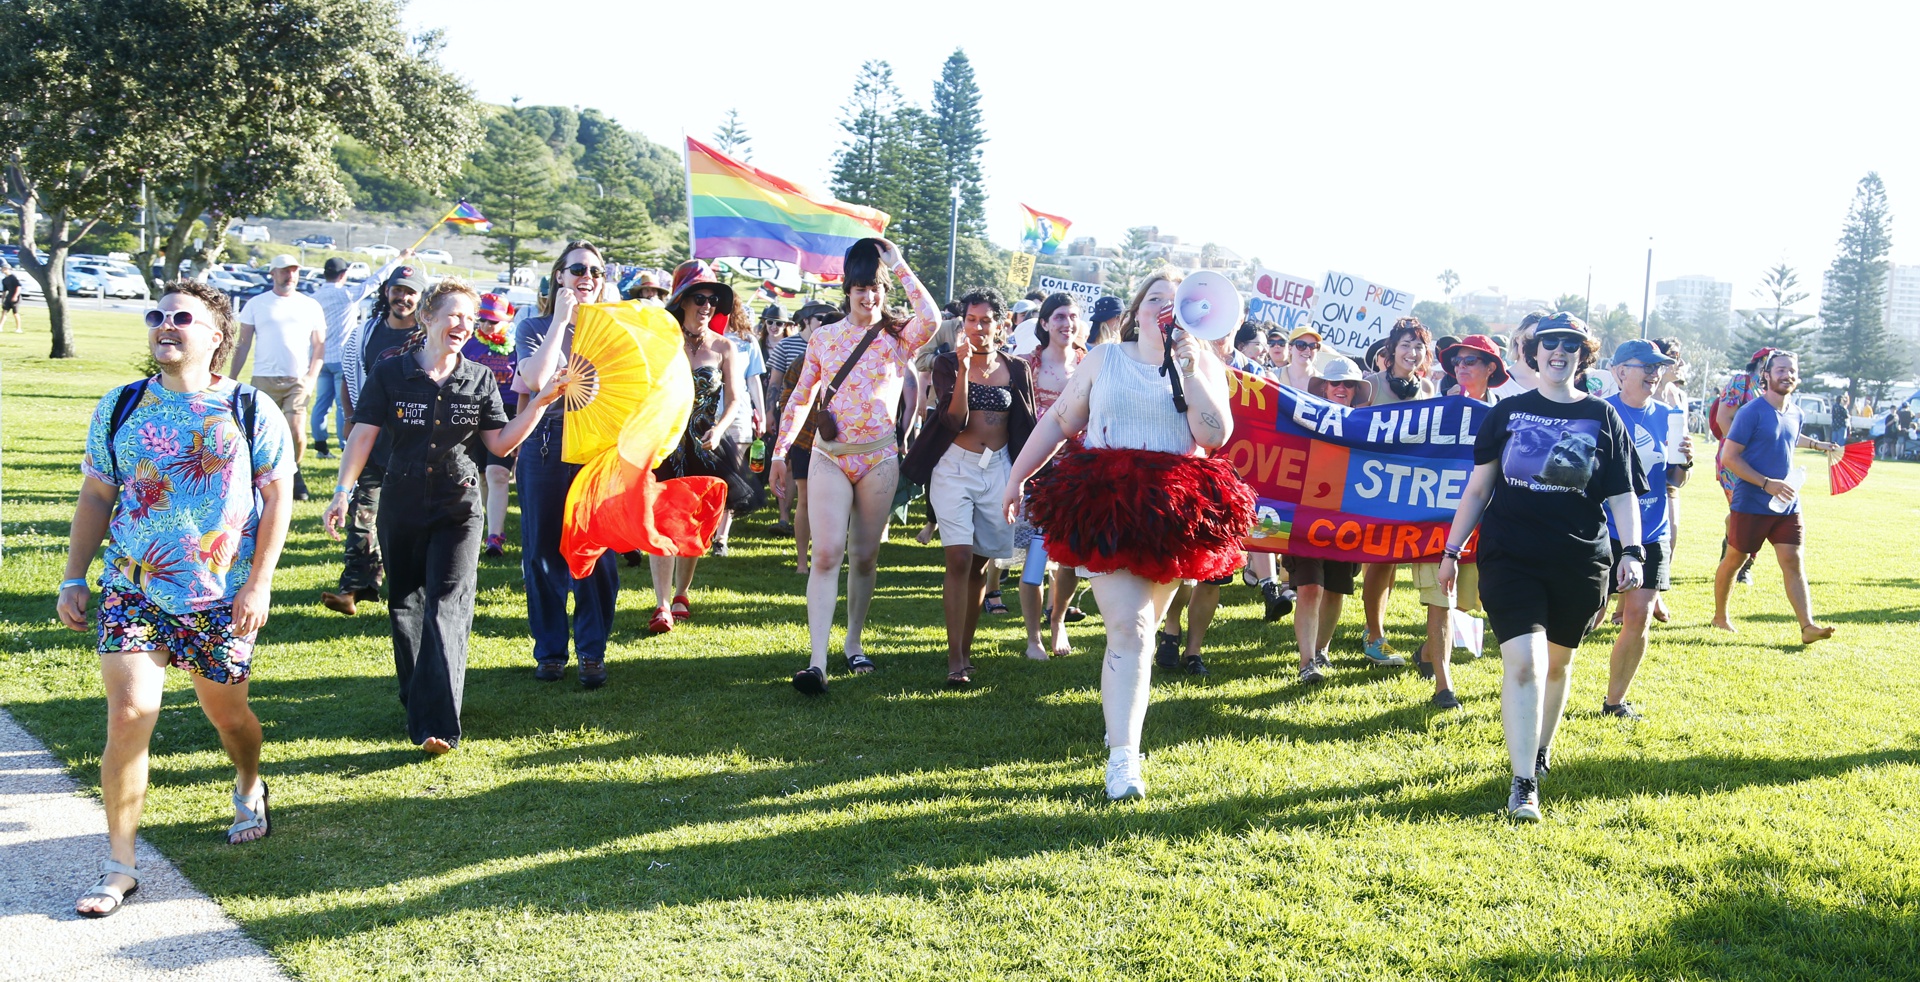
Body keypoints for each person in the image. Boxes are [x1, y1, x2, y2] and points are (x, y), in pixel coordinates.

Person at [60, 281, 296, 917]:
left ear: (216, 335)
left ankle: (249, 781)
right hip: (134, 587)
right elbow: (96, 495)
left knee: (230, 720)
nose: (165, 325)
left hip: (221, 595)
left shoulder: (249, 409)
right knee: (130, 712)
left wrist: (260, 582)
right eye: (156, 315)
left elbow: (278, 499)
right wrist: (74, 576)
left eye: (181, 317)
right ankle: (120, 866)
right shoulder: (121, 405)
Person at [1005, 272, 1254, 800]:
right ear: (1138, 310)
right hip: (1107, 501)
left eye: (1178, 303)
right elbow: (1059, 420)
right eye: (1157, 300)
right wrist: (1016, 476)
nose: (1166, 309)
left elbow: (1213, 434)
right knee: (1131, 628)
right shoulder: (1103, 359)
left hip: (1172, 507)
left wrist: (1190, 369)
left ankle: (1120, 725)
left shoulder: (1203, 363)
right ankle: (1124, 761)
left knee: (1140, 632)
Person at [323, 279, 569, 751]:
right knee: (406, 606)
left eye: (469, 318)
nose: (462, 325)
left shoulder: (478, 378)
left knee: (447, 606)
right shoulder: (390, 373)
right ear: (428, 319)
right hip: (402, 503)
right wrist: (342, 491)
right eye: (453, 315)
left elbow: (498, 443)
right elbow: (363, 435)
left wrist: (540, 402)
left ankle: (438, 723)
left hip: (459, 508)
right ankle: (417, 695)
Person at [1437, 313, 1648, 822]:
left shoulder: (1602, 416)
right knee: (1525, 664)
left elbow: (1622, 495)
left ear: (1583, 354)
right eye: (1549, 343)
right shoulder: (1507, 413)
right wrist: (1451, 551)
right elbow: (1479, 488)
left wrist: (1633, 552)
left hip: (1580, 560)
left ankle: (1540, 751)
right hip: (1511, 557)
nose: (1558, 351)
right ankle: (1524, 782)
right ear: (1534, 352)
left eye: (1570, 344)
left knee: (1558, 664)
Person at [775, 238, 940, 694]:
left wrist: (899, 264)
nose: (868, 297)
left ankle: (852, 641)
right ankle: (817, 660)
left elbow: (932, 319)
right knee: (827, 554)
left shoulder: (899, 336)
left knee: (865, 558)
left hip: (881, 459)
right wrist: (779, 451)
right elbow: (801, 396)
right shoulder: (824, 338)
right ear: (847, 291)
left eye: (876, 289)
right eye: (860, 289)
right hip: (830, 457)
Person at [904, 286, 1036, 686]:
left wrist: (1025, 476)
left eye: (986, 320)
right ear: (964, 324)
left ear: (1001, 324)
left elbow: (1026, 424)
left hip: (997, 469)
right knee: (958, 558)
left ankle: (967, 646)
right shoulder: (947, 363)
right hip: (954, 468)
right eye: (971, 321)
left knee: (980, 562)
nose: (978, 328)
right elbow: (952, 420)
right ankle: (954, 659)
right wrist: (962, 371)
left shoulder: (1016, 368)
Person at [513, 242, 623, 685]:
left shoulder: (614, 331)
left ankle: (592, 651)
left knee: (598, 553)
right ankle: (550, 651)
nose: (587, 277)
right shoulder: (535, 325)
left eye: (597, 272)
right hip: (544, 446)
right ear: (559, 276)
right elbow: (537, 379)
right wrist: (561, 319)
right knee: (542, 553)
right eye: (577, 269)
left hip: (599, 450)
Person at [646, 261, 753, 634]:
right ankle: (661, 605)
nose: (707, 305)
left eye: (713, 299)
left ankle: (681, 593)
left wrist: (721, 429)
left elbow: (736, 399)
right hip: (663, 443)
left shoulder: (725, 346)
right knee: (660, 522)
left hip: (705, 446)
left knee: (693, 524)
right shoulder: (661, 340)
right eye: (699, 297)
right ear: (682, 301)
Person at [1710, 350, 1839, 645]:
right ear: (1766, 376)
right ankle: (1720, 617)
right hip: (1752, 502)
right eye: (1780, 370)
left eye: (1791, 370)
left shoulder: (1796, 411)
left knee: (1793, 560)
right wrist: (1766, 483)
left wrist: (1818, 444)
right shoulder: (1750, 412)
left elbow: (1788, 436)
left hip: (1787, 503)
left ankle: (1807, 626)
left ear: (1798, 376)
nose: (1787, 375)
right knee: (1735, 559)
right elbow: (1730, 457)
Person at [324, 262, 430, 615]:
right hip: (372, 436)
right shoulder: (365, 332)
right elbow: (347, 374)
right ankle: (353, 587)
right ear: (387, 292)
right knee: (361, 512)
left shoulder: (429, 334)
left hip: (414, 442)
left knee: (404, 520)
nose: (403, 297)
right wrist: (350, 417)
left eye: (411, 291)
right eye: (398, 290)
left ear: (421, 297)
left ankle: (400, 588)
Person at [1410, 335, 1506, 707]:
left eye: (1470, 360)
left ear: (1490, 369)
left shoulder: (1505, 412)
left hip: (1487, 524)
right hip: (1437, 521)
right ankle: (1443, 685)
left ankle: (1428, 652)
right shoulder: (1439, 410)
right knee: (1442, 600)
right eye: (1457, 361)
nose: (1461, 366)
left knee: (1466, 602)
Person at [1600, 339, 1692, 720]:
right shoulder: (1601, 412)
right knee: (1588, 617)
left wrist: (1683, 462)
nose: (1655, 373)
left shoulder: (1669, 414)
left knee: (1639, 615)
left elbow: (1674, 481)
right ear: (1620, 372)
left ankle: (1615, 702)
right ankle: (1550, 677)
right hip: (1602, 529)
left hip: (1651, 531)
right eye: (1646, 366)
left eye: (1658, 367)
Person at [1357, 317, 1435, 668]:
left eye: (1418, 346)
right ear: (1391, 350)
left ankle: (1375, 631)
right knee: (1379, 561)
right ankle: (1374, 636)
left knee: (1390, 565)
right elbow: (1350, 431)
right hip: (1371, 486)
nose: (1412, 352)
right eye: (1405, 344)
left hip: (1408, 487)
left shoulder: (1428, 390)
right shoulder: (1369, 386)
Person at [1015, 292, 1088, 660]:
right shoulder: (1024, 366)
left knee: (1070, 560)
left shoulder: (1091, 364)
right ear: (1044, 323)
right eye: (1059, 316)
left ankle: (1058, 619)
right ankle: (1033, 638)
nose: (1067, 324)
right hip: (1035, 476)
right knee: (1033, 561)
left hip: (1077, 478)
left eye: (1073, 316)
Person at [1290, 357, 1372, 684]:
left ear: (1355, 390)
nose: (1341, 388)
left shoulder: (1366, 423)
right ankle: (1306, 662)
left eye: (1348, 384)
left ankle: (1321, 649)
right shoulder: (1302, 418)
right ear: (1324, 386)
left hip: (1348, 516)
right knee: (1310, 586)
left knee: (1336, 589)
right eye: (1335, 382)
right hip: (1307, 513)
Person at [229, 254, 325, 500]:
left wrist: (311, 377)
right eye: (284, 270)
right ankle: (258, 477)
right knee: (258, 431)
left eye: (294, 270)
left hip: (298, 379)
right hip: (264, 378)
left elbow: (319, 347)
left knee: (296, 431)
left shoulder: (310, 305)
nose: (290, 275)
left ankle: (293, 474)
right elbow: (243, 344)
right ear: (272, 273)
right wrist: (232, 378)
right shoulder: (256, 304)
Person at [309, 256, 397, 459]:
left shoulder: (315, 297)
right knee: (343, 405)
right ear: (343, 274)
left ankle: (320, 446)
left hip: (319, 356)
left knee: (321, 403)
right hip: (341, 356)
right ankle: (344, 445)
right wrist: (398, 258)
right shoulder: (347, 294)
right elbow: (375, 280)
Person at [767, 302, 834, 547]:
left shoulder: (850, 359)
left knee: (828, 500)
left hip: (836, 441)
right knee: (802, 493)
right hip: (804, 436)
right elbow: (781, 392)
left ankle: (824, 553)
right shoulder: (796, 356)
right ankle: (800, 556)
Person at [707, 301, 769, 555]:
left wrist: (762, 415)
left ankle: (721, 537)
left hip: (739, 414)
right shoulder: (704, 337)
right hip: (706, 414)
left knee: (732, 475)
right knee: (708, 475)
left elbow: (753, 379)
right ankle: (706, 529)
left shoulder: (747, 341)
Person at [465, 292, 519, 557]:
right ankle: (485, 527)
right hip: (473, 412)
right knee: (483, 476)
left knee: (498, 474)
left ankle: (495, 537)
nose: (488, 326)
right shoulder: (468, 345)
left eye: (493, 321)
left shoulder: (517, 346)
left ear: (507, 320)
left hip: (506, 414)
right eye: (483, 320)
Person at [1275, 325, 1320, 393]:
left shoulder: (1324, 384)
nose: (1307, 350)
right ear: (1290, 348)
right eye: (1301, 345)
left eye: (1312, 346)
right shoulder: (1275, 377)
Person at [2, 262, 22, 332]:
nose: (2, 270)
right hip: (9, 296)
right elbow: (4, 291)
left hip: (15, 296)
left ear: (6, 269)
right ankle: (1, 327)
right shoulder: (4, 280)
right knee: (4, 311)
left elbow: (18, 287)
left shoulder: (13, 277)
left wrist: (15, 296)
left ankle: (18, 328)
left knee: (15, 313)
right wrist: (2, 300)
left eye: (3, 268)